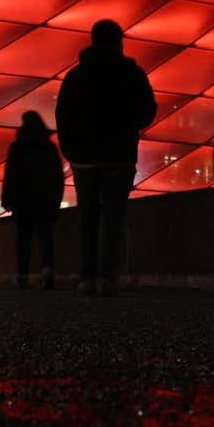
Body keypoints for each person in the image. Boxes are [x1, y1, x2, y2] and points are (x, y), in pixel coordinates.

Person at [56, 19, 157, 296]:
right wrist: (127, 128)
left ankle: (87, 276)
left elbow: (63, 117)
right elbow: (148, 110)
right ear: (119, 41)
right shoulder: (132, 73)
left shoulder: (76, 76)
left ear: (93, 40)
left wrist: (72, 151)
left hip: (85, 159)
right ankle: (108, 278)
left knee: (88, 217)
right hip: (119, 157)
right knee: (114, 218)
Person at [2, 111, 65, 290]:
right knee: (45, 237)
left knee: (23, 239)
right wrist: (57, 200)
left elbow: (10, 175)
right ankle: (47, 270)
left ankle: (23, 275)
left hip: (23, 200)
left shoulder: (17, 147)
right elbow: (57, 176)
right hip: (45, 200)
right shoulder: (49, 147)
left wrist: (7, 199)